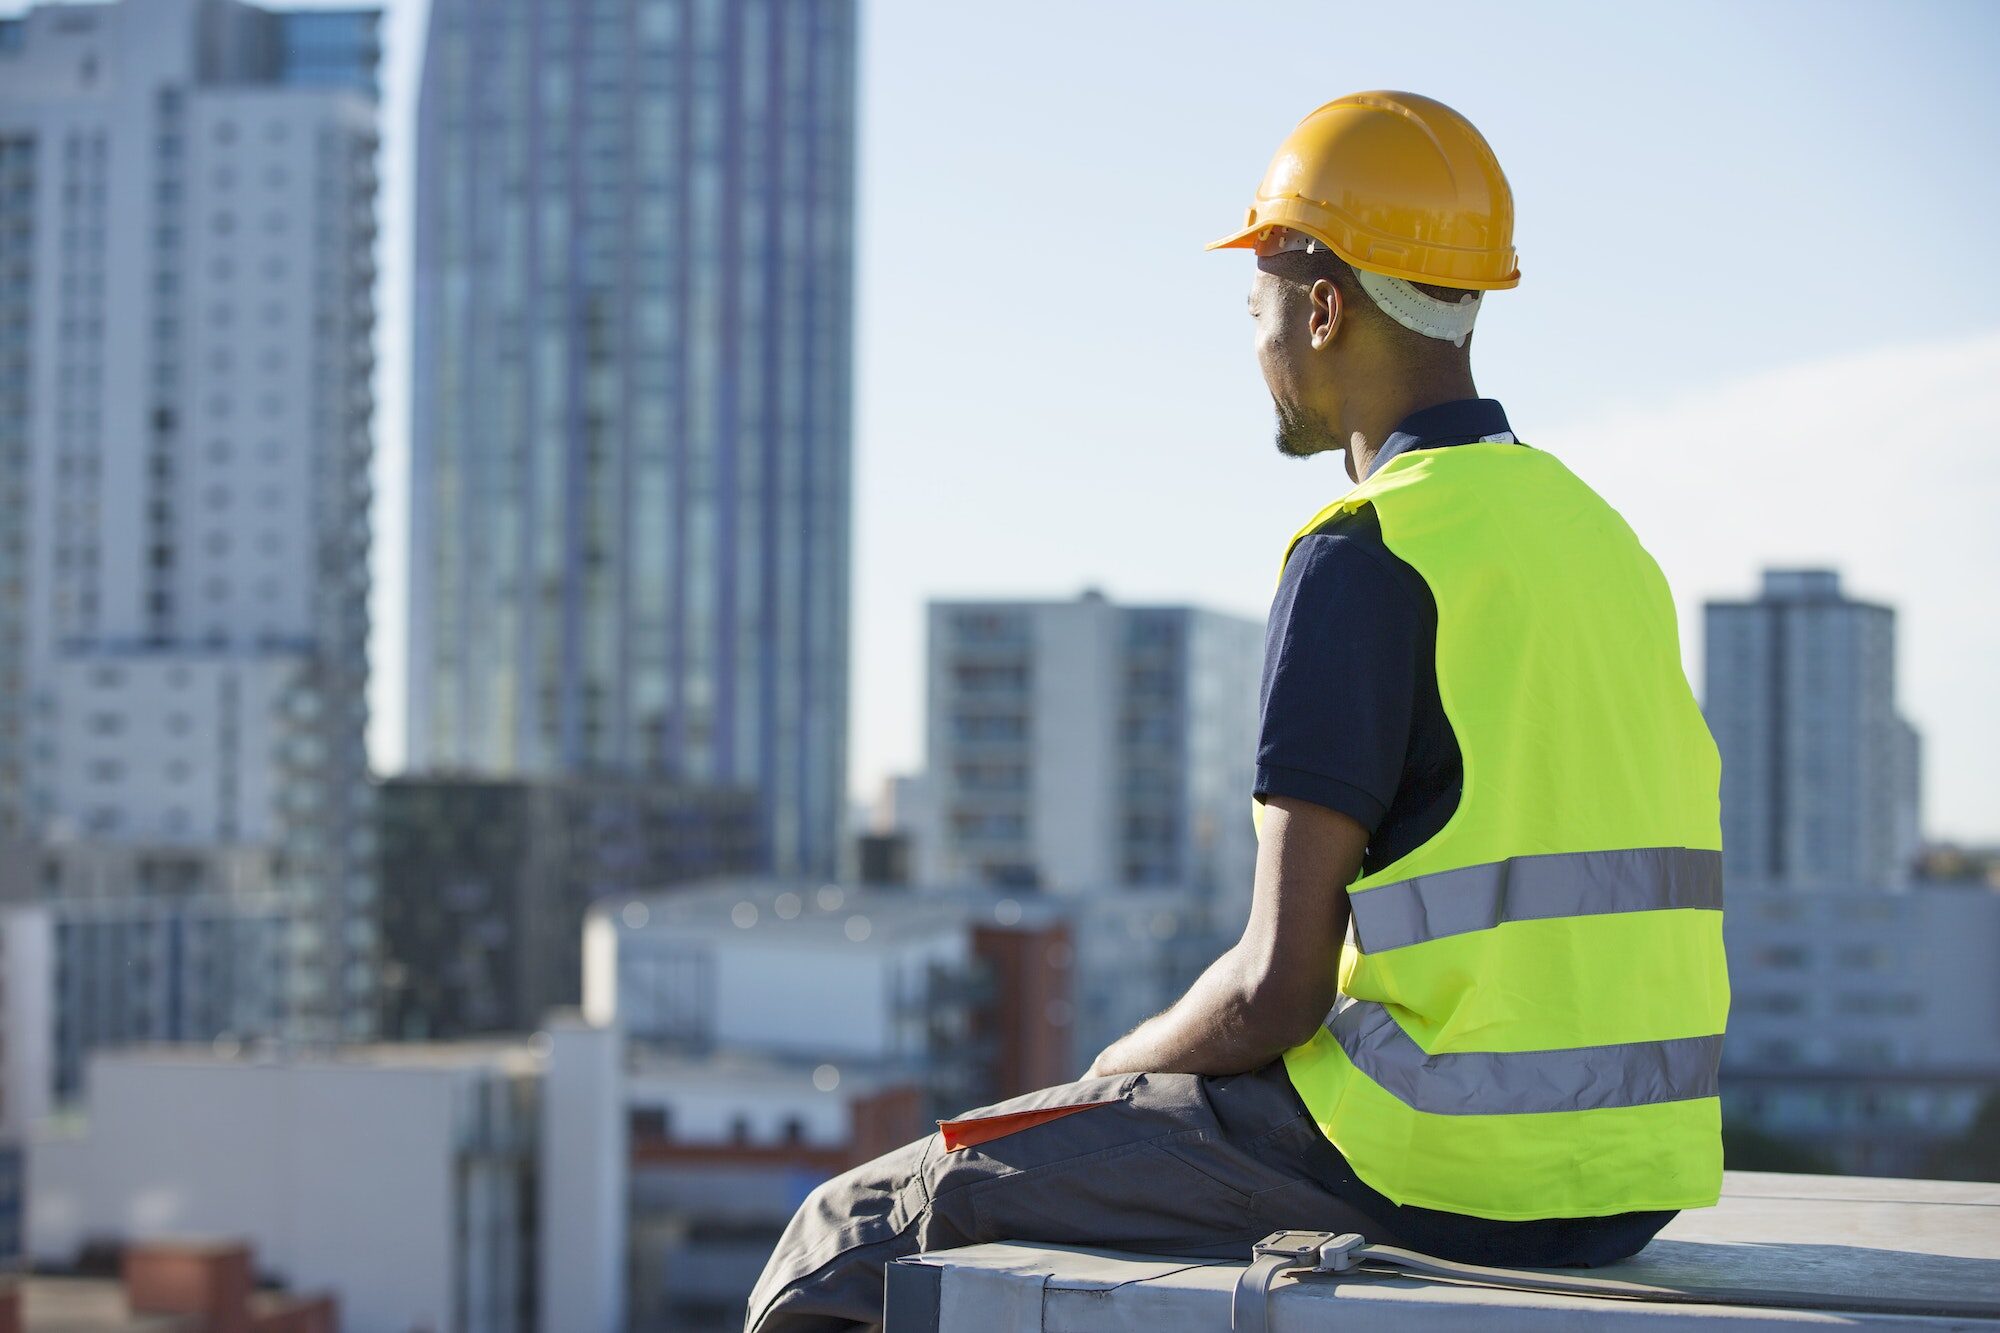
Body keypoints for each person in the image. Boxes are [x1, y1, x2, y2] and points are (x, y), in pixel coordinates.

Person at [745, 90, 1728, 1333]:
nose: (1253, 338)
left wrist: (1112, 1072)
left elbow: (1275, 991)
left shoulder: (1367, 550)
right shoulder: (1600, 540)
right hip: (1626, 1179)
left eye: (1255, 301)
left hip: (1435, 1164)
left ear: (1321, 309)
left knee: (865, 1222)